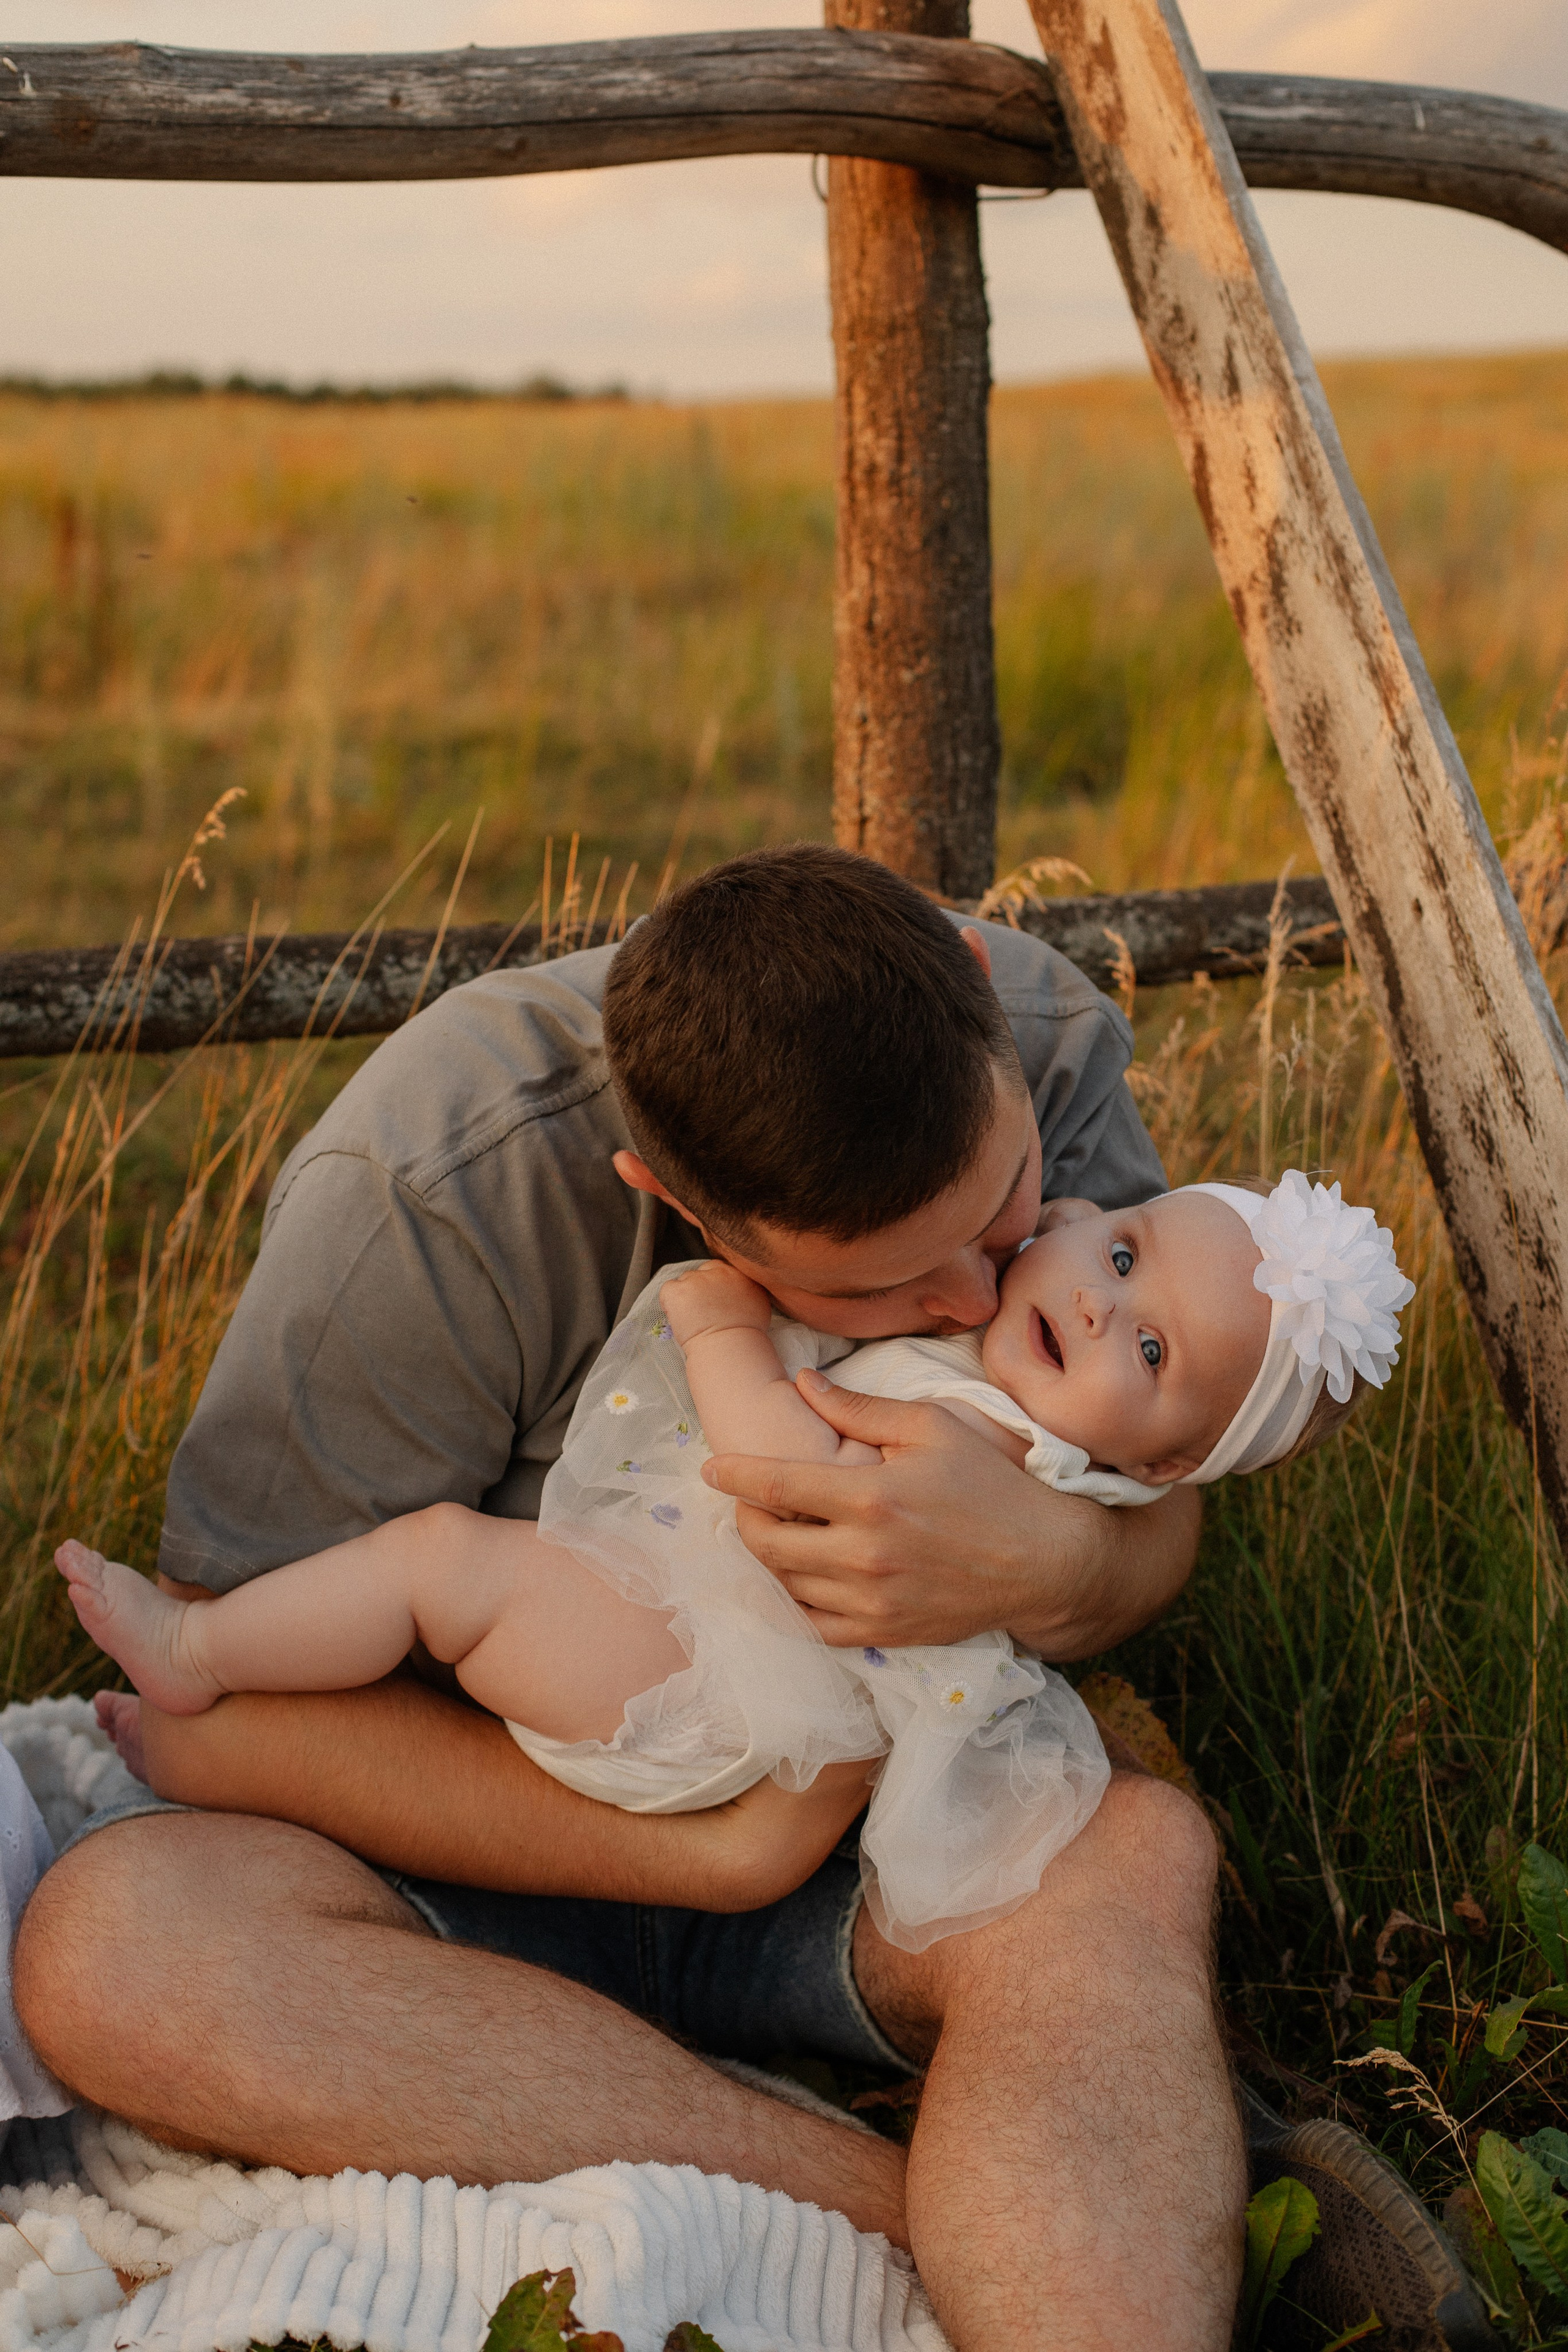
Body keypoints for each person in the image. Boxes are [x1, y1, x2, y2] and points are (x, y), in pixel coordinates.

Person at [9, 847, 1455, 2352]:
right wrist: (723, 1857)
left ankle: (1066, 2252)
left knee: (1126, 1853)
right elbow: (221, 1713)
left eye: (1008, 1203)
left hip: (868, 1835)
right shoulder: (434, 1188)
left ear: (972, 990)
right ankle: (923, 2201)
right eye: (881, 1291)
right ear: (673, 1200)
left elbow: (1170, 1483)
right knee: (111, 1950)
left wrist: (1060, 1563)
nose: (979, 1299)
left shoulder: (1034, 1026)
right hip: (446, 1842)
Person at [58, 1170, 1412, 1958]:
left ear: (1159, 1471)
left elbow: (791, 1494)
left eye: (1154, 1354)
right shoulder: (997, 1364)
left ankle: (198, 1656)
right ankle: (241, 1727)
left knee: (441, 1565)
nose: (1104, 1306)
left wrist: (720, 1338)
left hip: (703, 1691)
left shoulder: (1002, 1452)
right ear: (1063, 1214)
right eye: (1118, 1253)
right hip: (684, 1641)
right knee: (453, 1577)